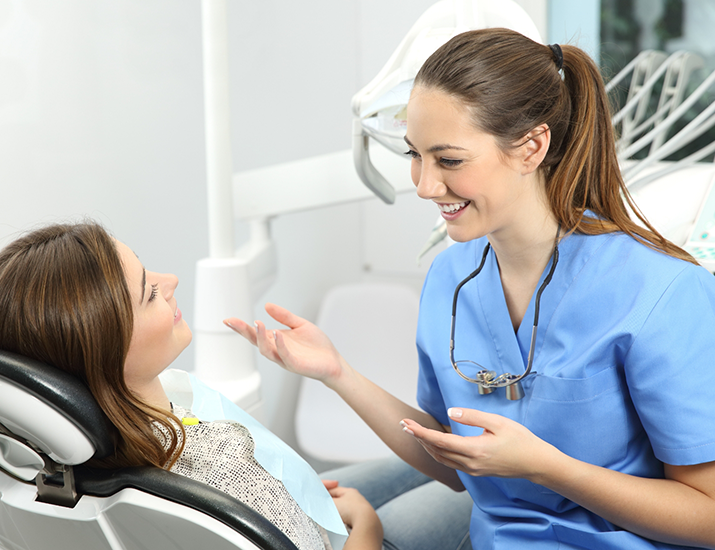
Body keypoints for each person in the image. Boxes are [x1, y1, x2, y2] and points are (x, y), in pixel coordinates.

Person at [225, 27, 715, 550]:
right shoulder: (451, 277)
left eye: (449, 160)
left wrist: (548, 468)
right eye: (415, 154)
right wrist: (337, 374)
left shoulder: (662, 291)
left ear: (532, 147)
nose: (424, 185)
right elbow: (457, 461)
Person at [0, 221, 383, 550]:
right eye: (149, 293)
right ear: (107, 355)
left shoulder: (61, 467)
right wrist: (368, 527)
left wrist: (281, 493)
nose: (172, 280)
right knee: (447, 486)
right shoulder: (225, 469)